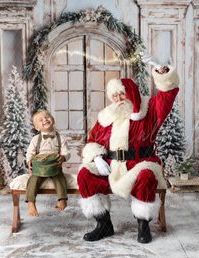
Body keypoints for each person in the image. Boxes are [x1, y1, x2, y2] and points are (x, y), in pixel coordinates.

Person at [77, 65, 179, 243]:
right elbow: (92, 141)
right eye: (114, 96)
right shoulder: (106, 116)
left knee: (146, 176)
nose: (118, 99)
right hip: (112, 165)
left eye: (122, 94)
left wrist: (164, 77)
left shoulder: (150, 108)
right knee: (85, 174)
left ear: (131, 92)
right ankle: (104, 225)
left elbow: (167, 96)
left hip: (141, 162)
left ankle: (143, 225)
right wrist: (97, 157)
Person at [26, 109, 70, 216]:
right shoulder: (36, 139)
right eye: (41, 120)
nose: (45, 119)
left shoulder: (61, 138)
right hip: (39, 167)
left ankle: (62, 199)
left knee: (60, 178)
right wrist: (29, 162)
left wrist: (63, 158)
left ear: (53, 120)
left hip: (54, 165)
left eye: (47, 117)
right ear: (37, 127)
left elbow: (67, 152)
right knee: (33, 180)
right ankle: (31, 203)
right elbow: (29, 153)